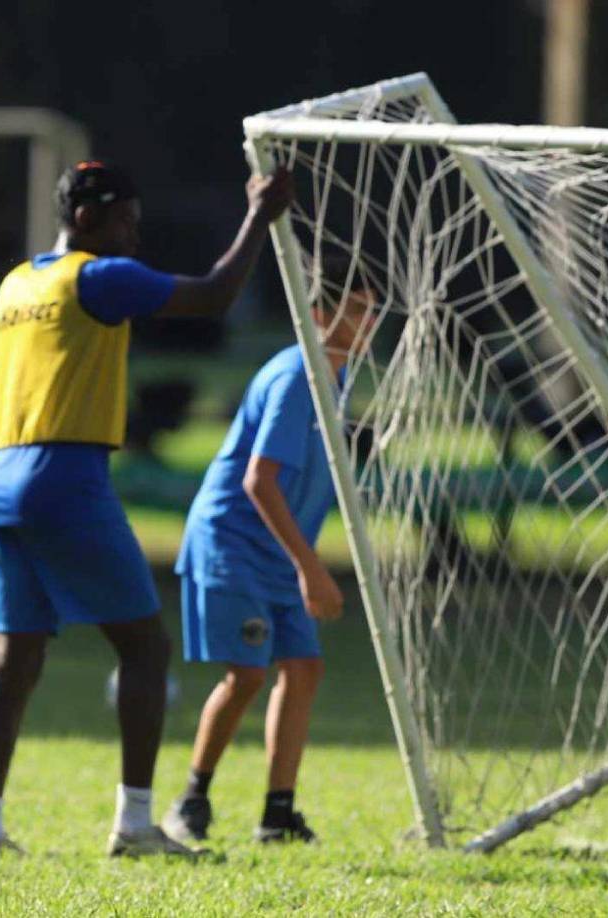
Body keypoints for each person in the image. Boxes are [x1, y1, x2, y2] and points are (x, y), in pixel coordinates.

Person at [0, 160, 294, 859]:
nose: (133, 237)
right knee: (145, 648)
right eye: (125, 222)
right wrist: (260, 216)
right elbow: (211, 297)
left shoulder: (15, 285)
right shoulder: (98, 277)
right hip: (64, 475)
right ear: (86, 219)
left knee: (12, 660)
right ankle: (136, 825)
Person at [161, 260, 375, 846]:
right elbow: (259, 482)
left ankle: (277, 815)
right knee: (249, 673)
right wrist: (312, 569)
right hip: (234, 542)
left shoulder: (340, 379)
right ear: (317, 316)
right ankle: (190, 800)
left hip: (281, 550)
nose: (370, 321)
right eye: (355, 310)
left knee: (304, 669)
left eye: (372, 308)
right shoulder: (294, 378)